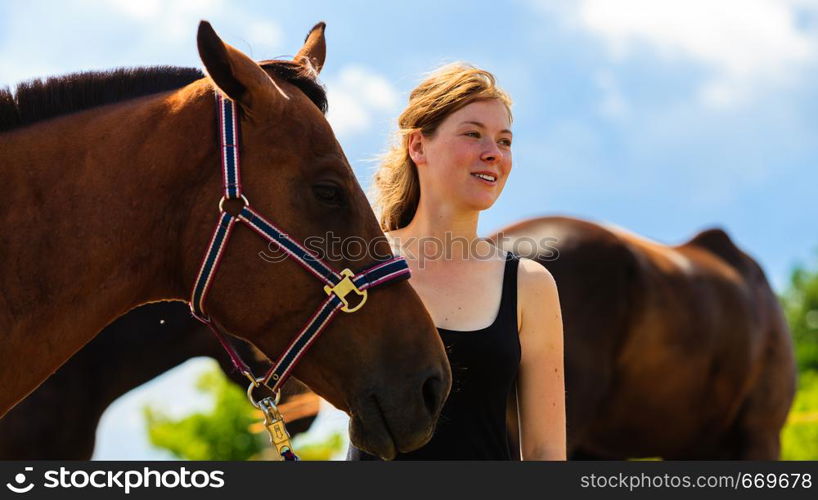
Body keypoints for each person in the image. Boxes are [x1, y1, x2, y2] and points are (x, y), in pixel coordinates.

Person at [347, 63, 566, 460]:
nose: (493, 154)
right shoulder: (363, 263)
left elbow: (545, 450)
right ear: (417, 146)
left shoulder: (529, 284)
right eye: (473, 134)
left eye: (504, 141)